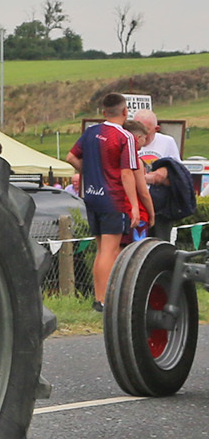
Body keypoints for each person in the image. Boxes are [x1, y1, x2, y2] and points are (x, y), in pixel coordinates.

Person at [67, 94, 153, 308]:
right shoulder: (125, 137)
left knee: (102, 248)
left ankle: (100, 296)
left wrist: (89, 174)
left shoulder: (90, 132)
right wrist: (134, 206)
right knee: (109, 249)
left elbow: (71, 157)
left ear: (103, 112)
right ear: (125, 112)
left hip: (92, 197)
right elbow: (127, 173)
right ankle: (103, 299)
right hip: (113, 199)